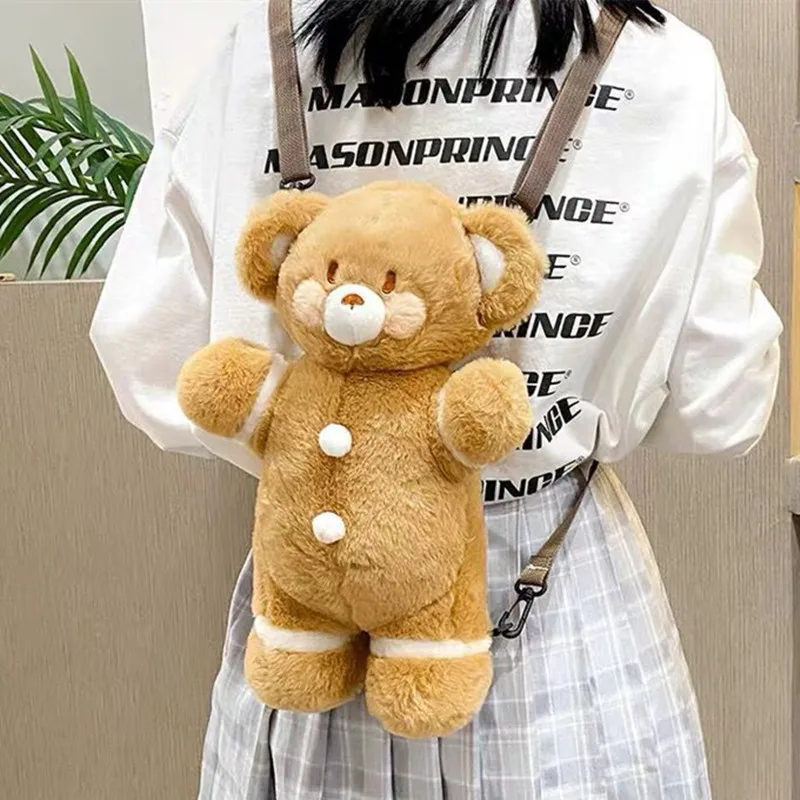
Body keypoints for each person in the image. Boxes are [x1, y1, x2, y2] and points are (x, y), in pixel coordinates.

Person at [91, 0, 782, 797]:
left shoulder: (263, 42)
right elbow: (720, 405)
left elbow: (154, 361)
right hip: (557, 599)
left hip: (315, 584)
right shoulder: (667, 63)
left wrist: (322, 448)